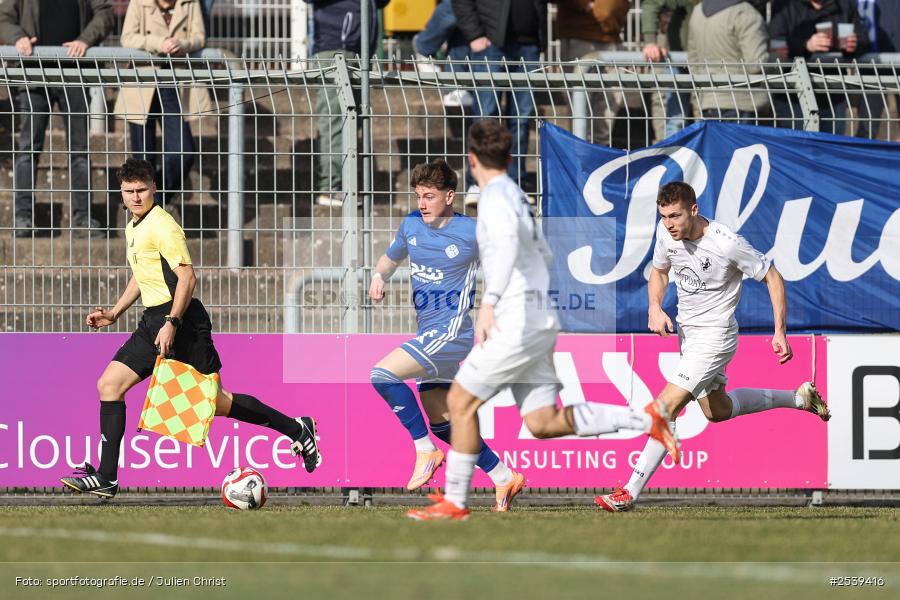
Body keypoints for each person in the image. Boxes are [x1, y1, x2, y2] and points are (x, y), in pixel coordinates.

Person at [407, 120, 679, 521]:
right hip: (538, 316)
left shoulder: (496, 198)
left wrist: (490, 303)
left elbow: (507, 251)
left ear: (471, 160)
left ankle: (456, 502)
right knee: (542, 421)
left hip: (518, 318)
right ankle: (648, 418)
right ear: (511, 158)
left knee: (459, 402)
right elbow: (539, 253)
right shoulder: (515, 194)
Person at [59, 159, 320, 498]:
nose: (135, 197)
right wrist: (115, 312)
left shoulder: (164, 226)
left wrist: (171, 323)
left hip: (182, 323)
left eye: (141, 190)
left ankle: (296, 429)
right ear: (121, 193)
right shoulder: (134, 226)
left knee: (218, 403)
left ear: (153, 188)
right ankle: (107, 477)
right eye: (128, 192)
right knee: (109, 384)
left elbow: (188, 277)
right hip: (153, 320)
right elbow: (143, 275)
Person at [595, 181, 830, 512]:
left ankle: (629, 491)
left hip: (716, 337)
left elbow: (773, 277)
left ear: (694, 209)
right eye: (664, 217)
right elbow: (659, 273)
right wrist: (654, 306)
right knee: (716, 411)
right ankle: (799, 397)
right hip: (689, 338)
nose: (669, 224)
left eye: (675, 216)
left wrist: (780, 331)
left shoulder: (727, 243)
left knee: (665, 407)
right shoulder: (666, 234)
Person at [368, 158, 523, 511]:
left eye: (430, 196)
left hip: (451, 331)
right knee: (441, 422)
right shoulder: (411, 224)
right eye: (419, 196)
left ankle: (424, 451)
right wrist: (379, 277)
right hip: (431, 332)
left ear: (450, 196)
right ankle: (503, 477)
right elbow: (390, 258)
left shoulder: (472, 233)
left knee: (381, 374)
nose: (422, 204)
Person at [0, 0, 115, 238]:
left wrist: (85, 39)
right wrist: (17, 37)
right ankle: (23, 216)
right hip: (33, 72)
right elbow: (3, 18)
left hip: (74, 73)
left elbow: (105, 13)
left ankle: (82, 218)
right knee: (28, 149)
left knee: (80, 150)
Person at [115, 0, 211, 207]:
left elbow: (199, 37)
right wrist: (159, 43)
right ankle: (146, 213)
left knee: (183, 153)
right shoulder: (139, 2)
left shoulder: (190, 2)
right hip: (142, 81)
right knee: (142, 160)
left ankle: (154, 201)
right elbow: (127, 37)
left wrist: (182, 44)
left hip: (175, 82)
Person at [452, 0, 546, 202]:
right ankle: (478, 182)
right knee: (486, 116)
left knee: (521, 118)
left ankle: (515, 183)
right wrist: (474, 34)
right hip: (491, 43)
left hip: (528, 44)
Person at [305, 0, 390, 207]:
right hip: (335, 46)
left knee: (353, 120)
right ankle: (331, 187)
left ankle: (343, 183)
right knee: (334, 118)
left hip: (358, 50)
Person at [768, 0, 869, 134]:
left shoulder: (845, 4)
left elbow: (863, 38)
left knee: (831, 148)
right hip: (793, 97)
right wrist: (805, 45)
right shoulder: (785, 5)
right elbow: (775, 41)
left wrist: (854, 45)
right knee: (798, 147)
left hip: (834, 95)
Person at [557, 0, 630, 146]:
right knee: (579, 106)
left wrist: (612, 9)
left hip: (612, 37)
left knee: (610, 104)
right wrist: (588, 6)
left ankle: (600, 157)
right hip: (579, 35)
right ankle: (582, 156)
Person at [688, 0, 770, 122]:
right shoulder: (745, 13)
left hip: (708, 102)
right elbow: (757, 65)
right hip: (744, 103)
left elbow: (693, 61)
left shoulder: (697, 12)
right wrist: (779, 57)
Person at [641, 0, 696, 141]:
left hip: (709, 55)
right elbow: (651, 4)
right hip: (677, 53)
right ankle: (670, 158)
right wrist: (650, 40)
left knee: (707, 116)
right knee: (675, 119)